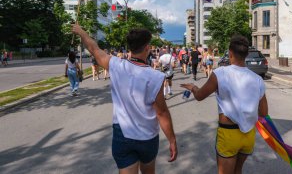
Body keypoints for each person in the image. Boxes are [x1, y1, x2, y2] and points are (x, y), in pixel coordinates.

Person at [72, 24, 177, 174]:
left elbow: (94, 49)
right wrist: (172, 140)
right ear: (147, 48)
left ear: (130, 47)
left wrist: (81, 32)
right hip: (147, 136)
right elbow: (162, 113)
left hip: (122, 134)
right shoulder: (156, 77)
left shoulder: (115, 65)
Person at [181, 35, 268, 174]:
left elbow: (199, 96)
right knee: (238, 170)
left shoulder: (220, 73)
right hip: (249, 135)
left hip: (228, 134)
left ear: (230, 53)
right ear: (246, 55)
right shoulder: (258, 80)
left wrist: (192, 87)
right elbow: (264, 113)